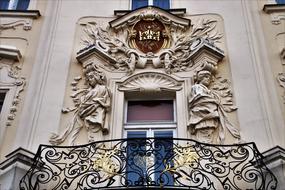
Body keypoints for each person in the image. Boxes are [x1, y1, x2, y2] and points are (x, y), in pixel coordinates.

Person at [50, 64, 111, 145]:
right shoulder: (89, 91)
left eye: (91, 78)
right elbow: (85, 103)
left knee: (94, 133)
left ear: (96, 78)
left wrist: (99, 102)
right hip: (87, 113)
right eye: (88, 79)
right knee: (88, 131)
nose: (90, 80)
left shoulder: (103, 89)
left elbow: (107, 105)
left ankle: (97, 146)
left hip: (96, 114)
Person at [188, 70, 240, 144]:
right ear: (200, 78)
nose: (208, 79)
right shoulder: (197, 87)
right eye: (206, 77)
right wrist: (212, 100)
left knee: (208, 136)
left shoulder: (207, 90)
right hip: (203, 115)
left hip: (209, 116)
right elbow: (200, 98)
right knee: (204, 136)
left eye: (209, 78)